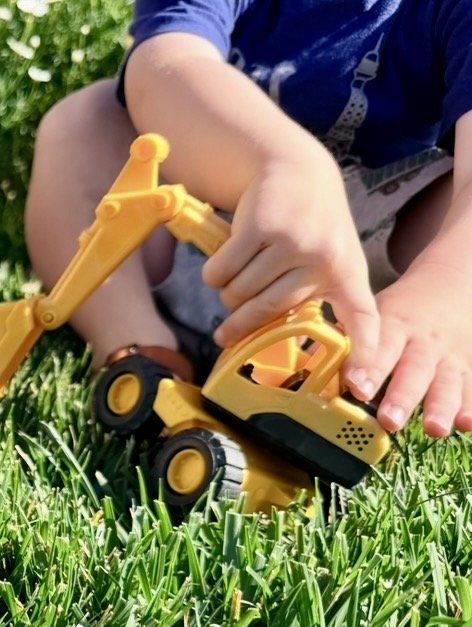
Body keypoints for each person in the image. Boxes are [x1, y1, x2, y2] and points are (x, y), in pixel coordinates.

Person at [25, 0, 472, 438]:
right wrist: (285, 165)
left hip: (368, 281)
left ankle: (379, 362)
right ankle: (141, 349)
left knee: (454, 208)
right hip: (203, 220)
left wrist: (449, 280)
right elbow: (164, 68)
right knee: (85, 122)